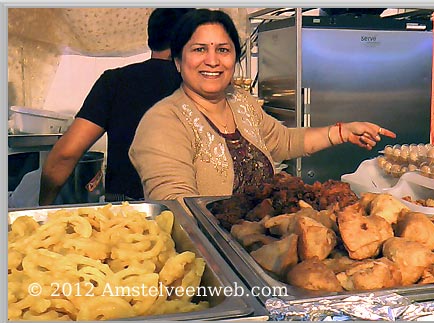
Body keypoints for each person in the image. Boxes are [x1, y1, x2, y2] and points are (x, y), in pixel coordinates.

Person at [129, 9, 396, 201]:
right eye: (199, 49)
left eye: (223, 50)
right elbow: (173, 204)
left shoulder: (240, 102)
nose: (212, 61)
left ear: (234, 58)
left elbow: (283, 140)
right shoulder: (164, 121)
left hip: (256, 246)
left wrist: (342, 131)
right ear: (177, 61)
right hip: (212, 258)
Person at [39, 8, 193, 205]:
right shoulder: (200, 85)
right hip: (188, 209)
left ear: (150, 40)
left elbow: (65, 155)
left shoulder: (115, 81)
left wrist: (42, 209)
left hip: (127, 213)